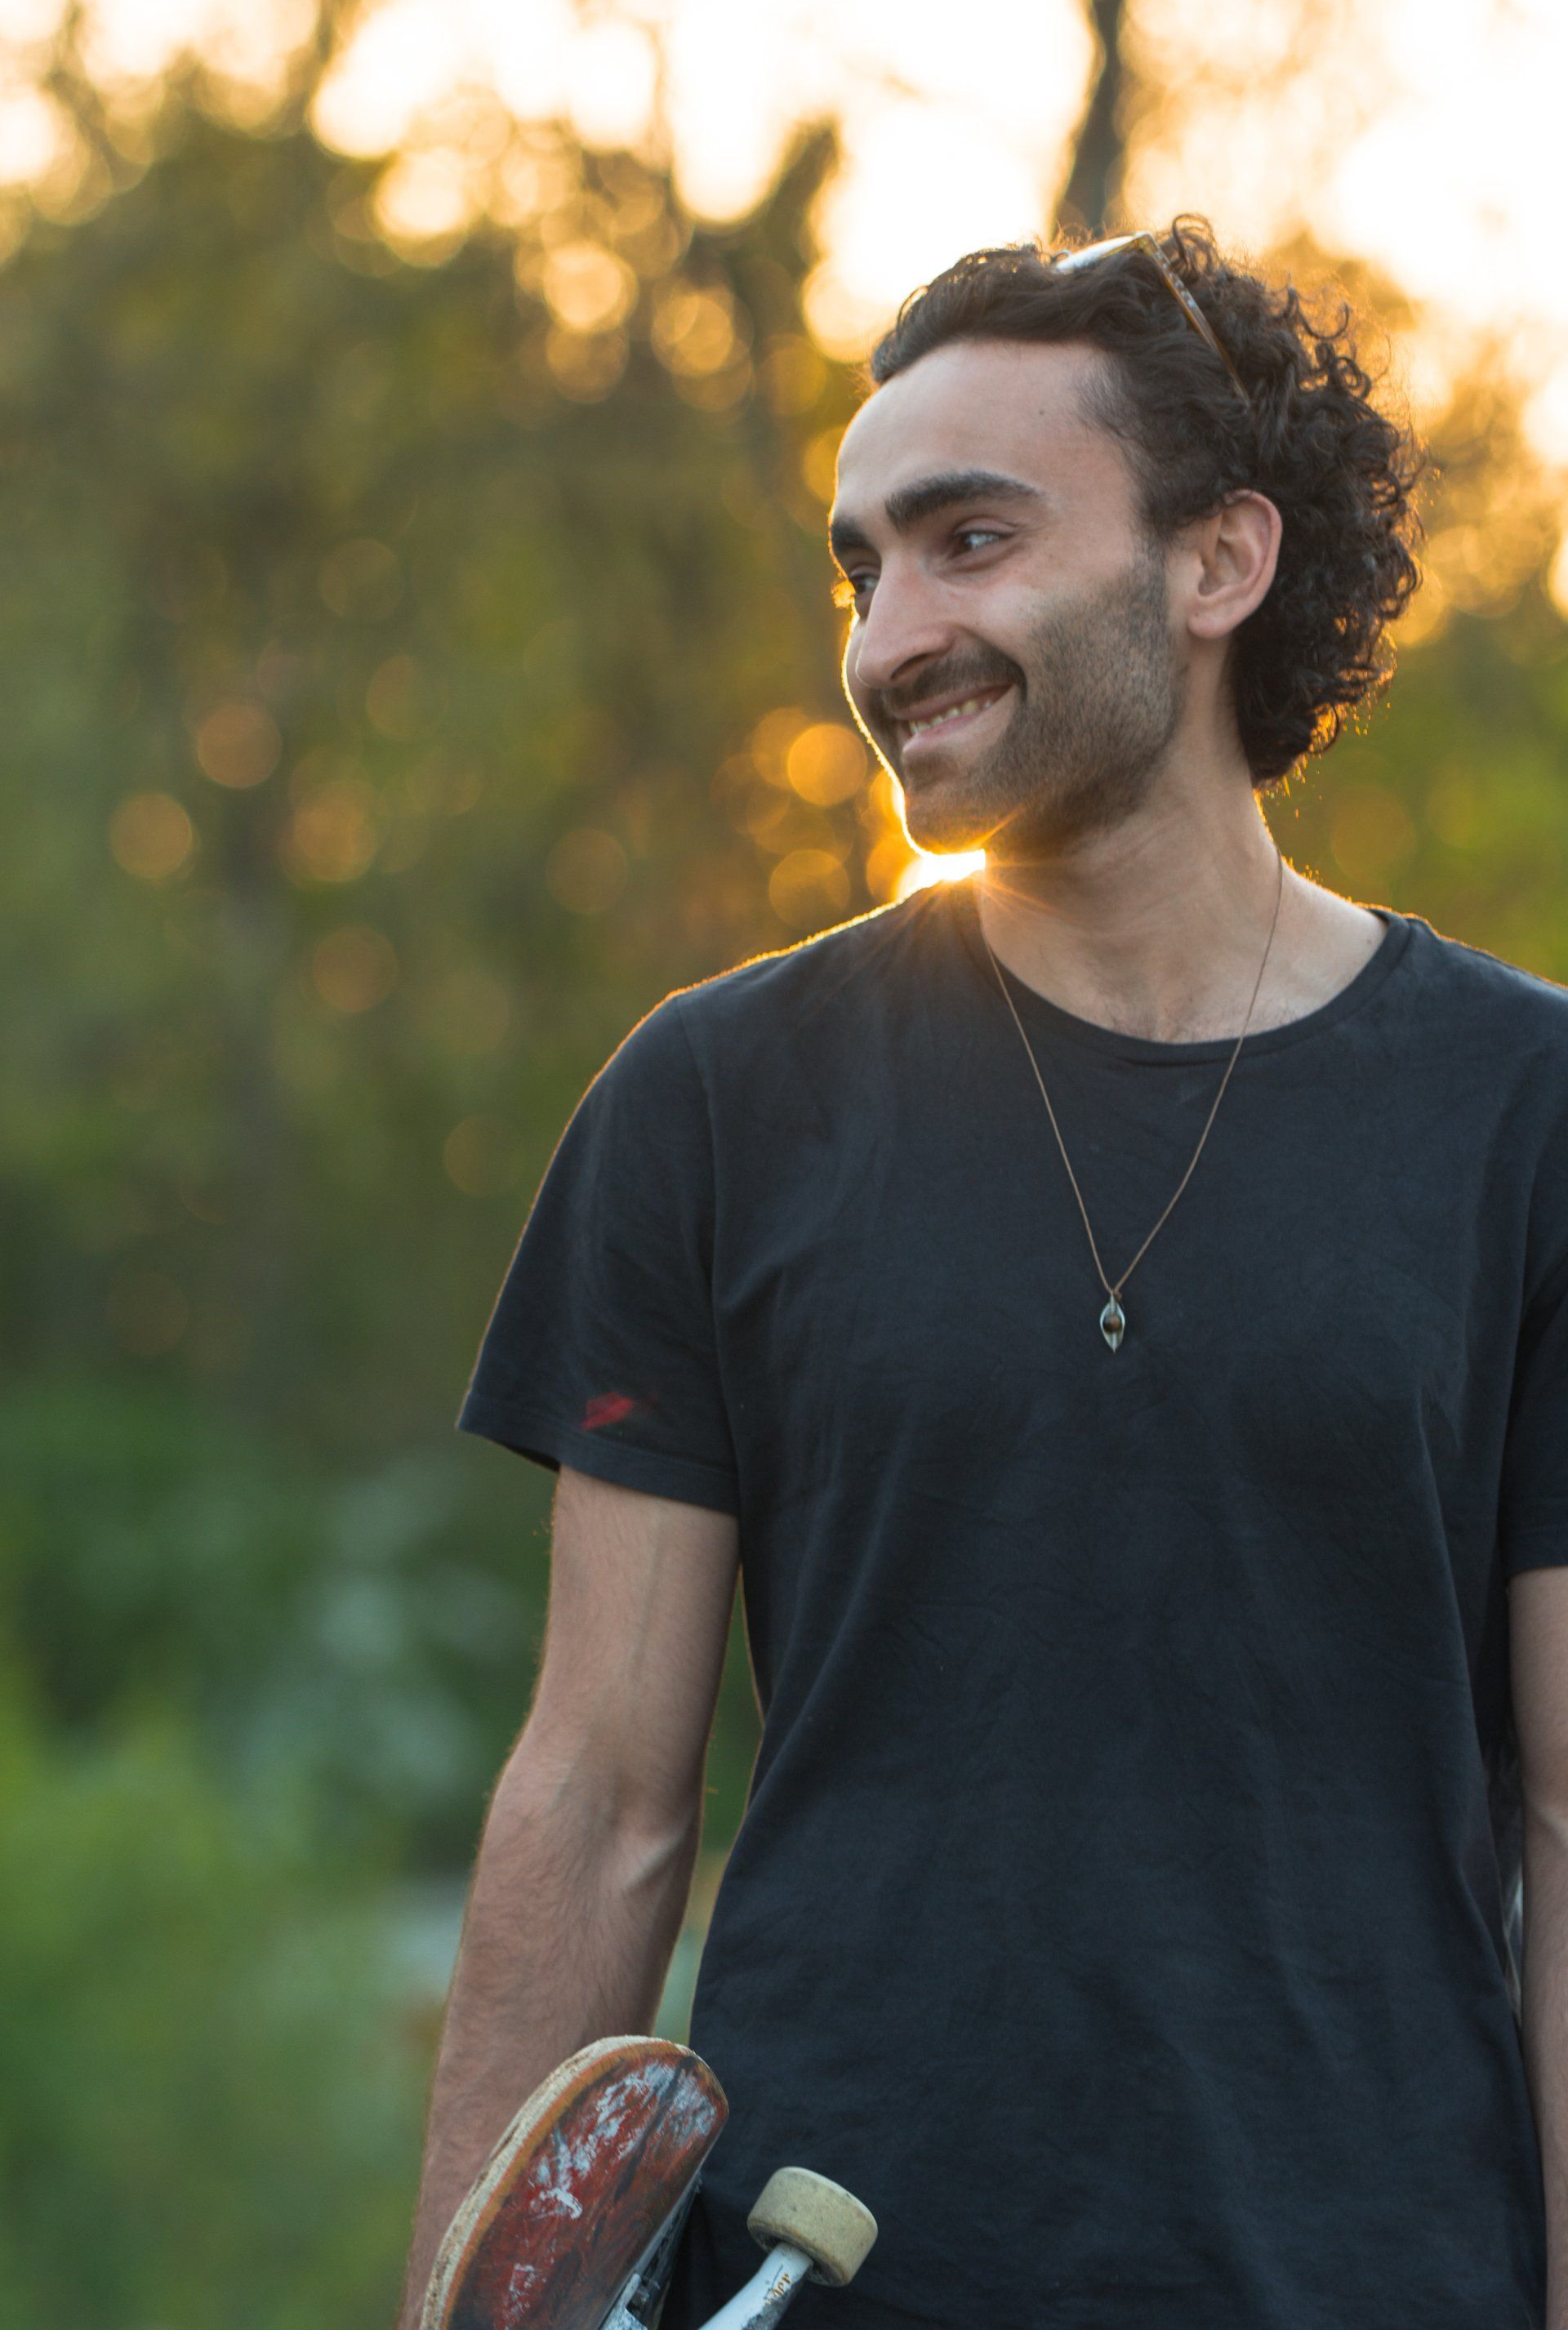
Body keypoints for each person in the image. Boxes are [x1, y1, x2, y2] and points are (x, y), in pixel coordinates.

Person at [397, 218, 1568, 2329]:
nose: (886, 637)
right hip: (821, 2275)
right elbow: (595, 1804)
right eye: (864, 567)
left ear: (1217, 567)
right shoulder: (716, 1100)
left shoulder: (1532, 1119)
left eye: (969, 541)